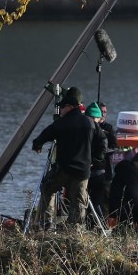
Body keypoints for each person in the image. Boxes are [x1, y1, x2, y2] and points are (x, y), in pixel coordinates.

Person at [31, 87, 93, 228]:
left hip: (65, 168)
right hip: (82, 171)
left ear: (69, 107)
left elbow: (45, 135)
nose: (61, 110)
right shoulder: (89, 122)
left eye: (62, 107)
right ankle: (75, 231)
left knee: (47, 188)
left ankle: (47, 222)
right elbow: (104, 141)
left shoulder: (62, 123)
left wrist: (37, 145)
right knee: (79, 202)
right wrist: (95, 159)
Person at [109, 150, 138, 229]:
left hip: (125, 208)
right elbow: (134, 194)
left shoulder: (136, 170)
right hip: (122, 208)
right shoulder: (129, 171)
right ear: (137, 161)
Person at [84, 102, 109, 225]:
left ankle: (100, 225)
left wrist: (93, 161)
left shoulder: (100, 131)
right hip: (90, 170)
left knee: (96, 201)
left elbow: (104, 148)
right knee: (91, 201)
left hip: (97, 170)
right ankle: (96, 225)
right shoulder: (96, 130)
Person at [98, 102, 118, 214]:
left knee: (105, 200)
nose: (103, 114)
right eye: (101, 111)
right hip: (90, 170)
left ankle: (104, 224)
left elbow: (114, 147)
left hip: (105, 170)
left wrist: (102, 152)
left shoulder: (109, 128)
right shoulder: (90, 126)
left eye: (105, 112)